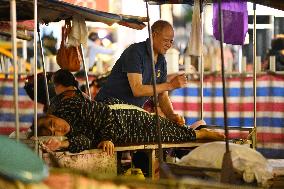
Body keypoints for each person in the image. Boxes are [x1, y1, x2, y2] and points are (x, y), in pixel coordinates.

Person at [36, 69, 224, 156]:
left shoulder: (71, 106)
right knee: (176, 134)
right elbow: (84, 141)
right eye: (54, 133)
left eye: (54, 125)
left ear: (52, 115)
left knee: (178, 134)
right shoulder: (66, 128)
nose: (59, 130)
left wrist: (107, 137)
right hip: (122, 134)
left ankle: (207, 134)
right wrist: (63, 144)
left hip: (126, 119)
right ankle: (201, 133)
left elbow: (105, 114)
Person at [95, 20, 187, 125]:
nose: (169, 45)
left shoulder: (162, 61)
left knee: (170, 128)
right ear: (154, 35)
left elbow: (162, 95)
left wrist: (171, 115)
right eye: (166, 40)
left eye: (171, 41)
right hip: (109, 108)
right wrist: (170, 85)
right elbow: (137, 89)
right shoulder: (135, 52)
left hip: (131, 112)